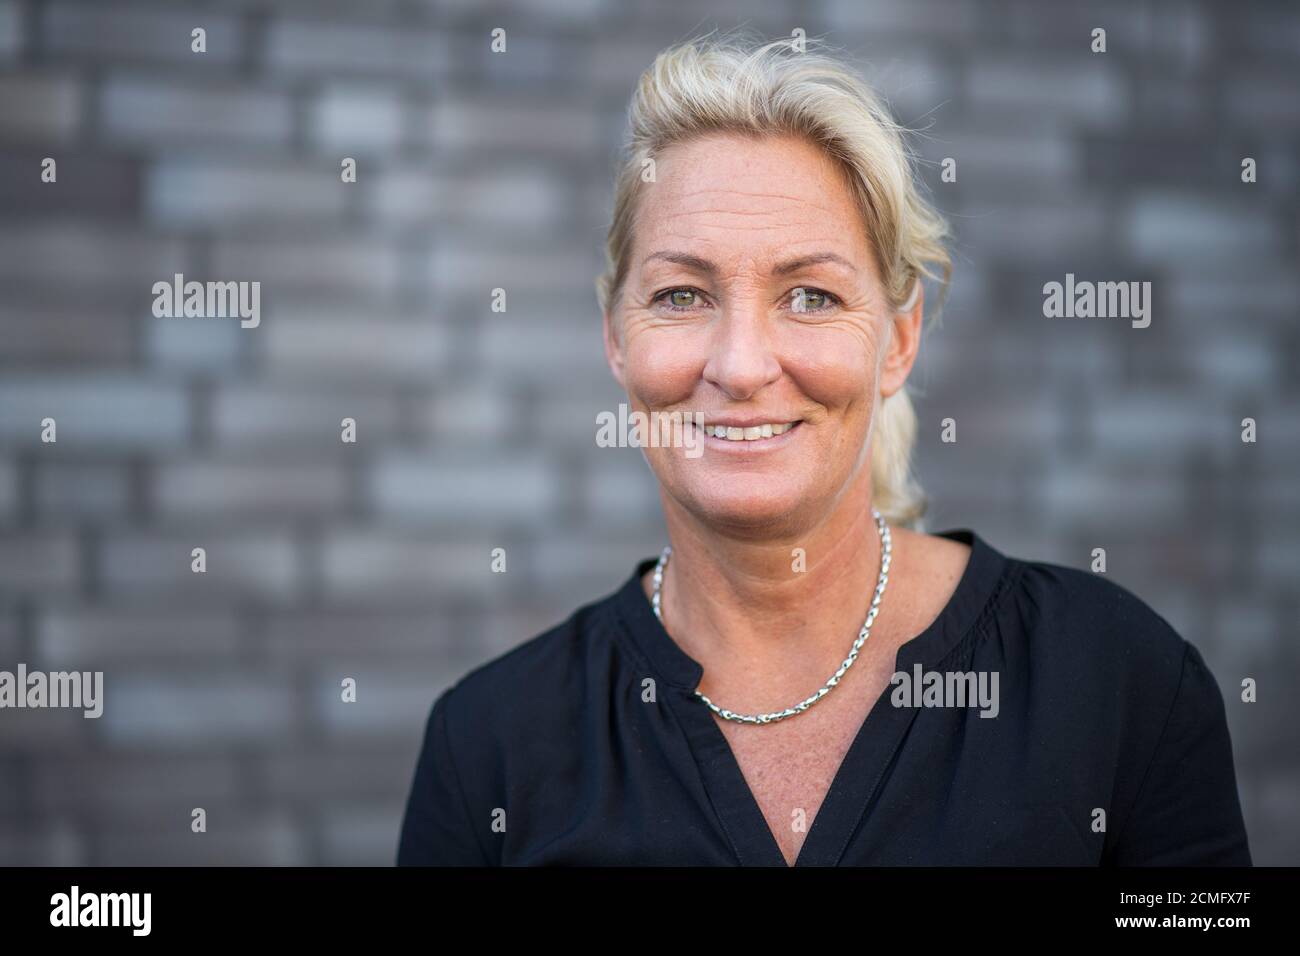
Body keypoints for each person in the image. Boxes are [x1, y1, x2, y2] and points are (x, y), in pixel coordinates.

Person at [397, 33, 1251, 866]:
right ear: (617, 338)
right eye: (682, 293)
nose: (739, 366)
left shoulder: (1117, 686)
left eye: (809, 295)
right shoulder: (488, 746)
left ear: (900, 339)